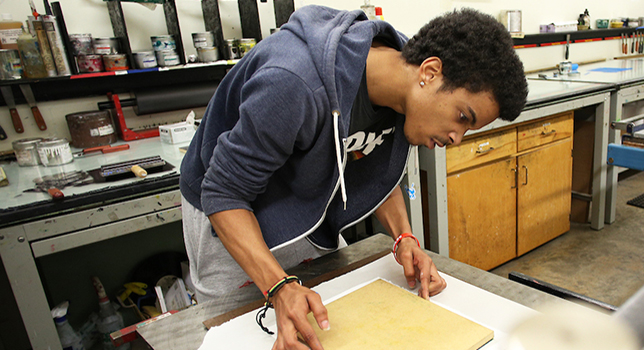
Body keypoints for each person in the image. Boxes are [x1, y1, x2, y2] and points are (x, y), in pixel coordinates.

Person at [180, 4, 527, 350]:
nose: (456, 139)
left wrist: (404, 237)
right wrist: (279, 287)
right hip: (229, 212)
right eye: (463, 117)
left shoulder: (402, 83)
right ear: (431, 72)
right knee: (245, 334)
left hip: (306, 201)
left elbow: (370, 160)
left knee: (324, 323)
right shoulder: (296, 83)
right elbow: (223, 192)